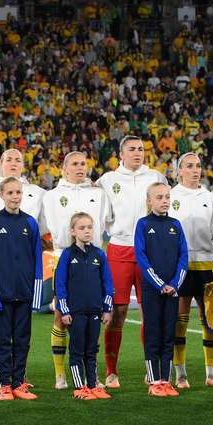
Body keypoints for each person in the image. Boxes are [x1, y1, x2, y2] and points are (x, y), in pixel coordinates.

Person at [97, 136, 167, 388]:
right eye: (132, 149)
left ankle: (151, 369)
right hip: (120, 248)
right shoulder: (107, 180)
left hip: (151, 249)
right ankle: (111, 371)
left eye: (141, 149)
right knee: (118, 311)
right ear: (121, 154)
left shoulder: (156, 178)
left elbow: (169, 206)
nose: (137, 153)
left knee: (150, 311)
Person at [42, 151, 111, 390]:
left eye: (83, 163)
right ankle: (60, 375)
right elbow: (42, 230)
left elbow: (109, 220)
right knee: (61, 317)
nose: (80, 167)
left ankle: (92, 375)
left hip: (93, 258)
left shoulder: (98, 194)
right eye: (74, 164)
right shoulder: (51, 196)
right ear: (64, 168)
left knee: (93, 317)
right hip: (63, 257)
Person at [0, 148, 45, 390]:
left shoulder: (30, 223)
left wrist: (35, 295)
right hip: (2, 294)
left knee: (23, 340)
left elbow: (37, 260)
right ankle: (4, 383)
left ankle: (19, 382)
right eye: (10, 193)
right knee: (3, 341)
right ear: (1, 195)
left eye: (18, 192)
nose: (15, 196)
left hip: (25, 293)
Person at [169, 153, 213, 389]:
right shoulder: (170, 196)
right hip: (181, 267)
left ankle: (211, 374)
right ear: (179, 171)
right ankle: (181, 375)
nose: (195, 170)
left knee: (210, 320)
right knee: (180, 321)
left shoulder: (211, 198)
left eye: (198, 166)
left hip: (207, 266)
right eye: (189, 166)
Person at [134, 183, 188, 398]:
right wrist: (159, 284)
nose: (164, 200)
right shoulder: (143, 224)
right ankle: (154, 380)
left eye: (167, 197)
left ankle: (166, 380)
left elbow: (184, 257)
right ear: (149, 201)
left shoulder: (176, 224)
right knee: (152, 334)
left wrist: (174, 285)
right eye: (159, 197)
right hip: (151, 290)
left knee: (169, 335)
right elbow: (141, 256)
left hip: (172, 291)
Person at [54, 212, 114, 400]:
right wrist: (64, 310)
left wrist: (107, 308)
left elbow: (108, 284)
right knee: (77, 349)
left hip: (95, 311)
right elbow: (60, 284)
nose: (87, 231)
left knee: (92, 349)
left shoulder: (99, 254)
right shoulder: (67, 255)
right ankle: (79, 387)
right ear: (73, 231)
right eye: (82, 228)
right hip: (75, 313)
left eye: (89, 227)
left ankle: (93, 385)